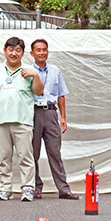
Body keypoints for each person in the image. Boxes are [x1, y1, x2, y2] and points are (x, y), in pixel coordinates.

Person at [0, 37, 43, 202]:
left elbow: (39, 92)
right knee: (3, 157)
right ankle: (5, 189)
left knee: (25, 156)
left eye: (18, 50)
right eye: (10, 49)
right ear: (5, 50)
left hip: (23, 121)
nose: (14, 53)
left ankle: (27, 189)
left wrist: (36, 75)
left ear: (23, 53)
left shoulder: (29, 70)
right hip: (1, 121)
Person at [29, 38, 78, 200]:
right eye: (38, 50)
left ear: (47, 52)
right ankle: (35, 187)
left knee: (55, 152)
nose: (41, 53)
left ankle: (63, 189)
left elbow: (61, 94)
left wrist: (63, 117)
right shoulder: (27, 70)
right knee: (32, 153)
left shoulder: (55, 71)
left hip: (51, 113)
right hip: (33, 113)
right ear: (32, 53)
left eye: (44, 50)